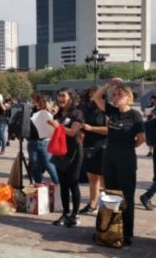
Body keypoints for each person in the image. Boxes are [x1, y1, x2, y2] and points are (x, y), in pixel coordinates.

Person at [91, 77, 146, 246]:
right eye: (114, 95)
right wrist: (110, 84)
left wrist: (127, 147)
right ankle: (109, 228)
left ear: (129, 97)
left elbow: (141, 139)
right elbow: (96, 98)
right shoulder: (112, 112)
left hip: (126, 160)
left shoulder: (135, 115)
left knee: (126, 197)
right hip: (110, 158)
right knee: (110, 194)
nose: (116, 97)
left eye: (120, 94)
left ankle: (127, 232)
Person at [47, 88, 84, 227]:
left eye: (63, 96)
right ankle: (65, 213)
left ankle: (75, 214)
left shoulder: (77, 113)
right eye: (58, 96)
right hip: (59, 151)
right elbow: (55, 132)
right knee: (63, 184)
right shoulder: (59, 114)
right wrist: (51, 120)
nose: (59, 98)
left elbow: (73, 132)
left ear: (71, 98)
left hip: (73, 151)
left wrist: (58, 126)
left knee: (73, 183)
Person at [78, 87, 108, 215]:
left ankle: (108, 205)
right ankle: (92, 204)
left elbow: (109, 130)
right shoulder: (85, 108)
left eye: (95, 95)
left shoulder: (106, 109)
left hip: (103, 146)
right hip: (88, 146)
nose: (92, 97)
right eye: (90, 95)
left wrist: (91, 128)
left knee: (103, 178)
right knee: (92, 177)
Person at [28, 93, 59, 184]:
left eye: (32, 100)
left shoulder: (46, 111)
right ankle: (38, 186)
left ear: (37, 101)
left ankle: (59, 186)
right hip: (32, 141)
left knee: (49, 165)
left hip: (44, 142)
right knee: (35, 166)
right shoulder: (32, 111)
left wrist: (52, 113)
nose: (31, 102)